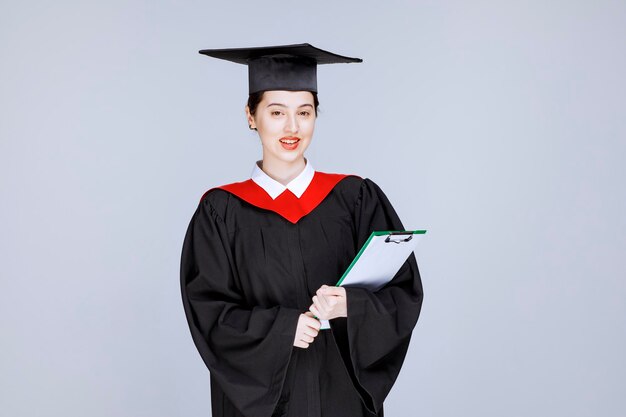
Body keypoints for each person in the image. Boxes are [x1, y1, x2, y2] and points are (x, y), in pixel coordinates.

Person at [180, 43, 423, 417]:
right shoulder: (220, 212)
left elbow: (402, 295)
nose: (292, 127)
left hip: (340, 395)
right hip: (263, 406)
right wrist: (280, 330)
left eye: (304, 112)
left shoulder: (355, 198)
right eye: (276, 112)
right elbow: (209, 316)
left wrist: (352, 306)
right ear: (251, 116)